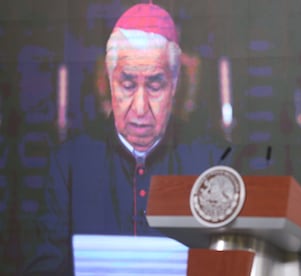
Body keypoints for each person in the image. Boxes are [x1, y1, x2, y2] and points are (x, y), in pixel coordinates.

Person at [22, 3, 230, 274]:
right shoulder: (70, 164)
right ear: (110, 81)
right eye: (128, 85)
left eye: (155, 85)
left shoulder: (211, 162)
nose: (141, 108)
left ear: (174, 85)